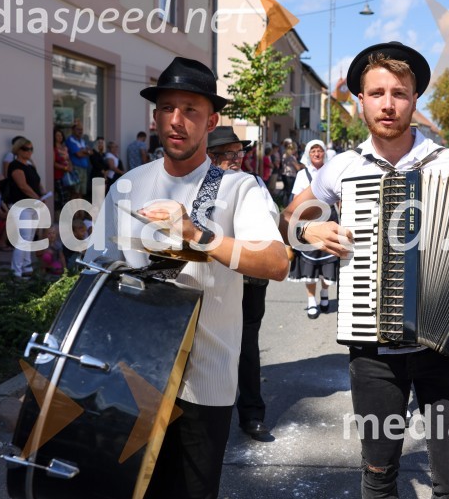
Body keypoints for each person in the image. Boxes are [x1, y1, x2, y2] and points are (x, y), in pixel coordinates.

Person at [279, 42, 449, 498]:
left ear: (414, 99)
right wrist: (307, 230)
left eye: (399, 93)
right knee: (378, 474)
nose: (388, 104)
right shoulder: (343, 167)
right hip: (372, 352)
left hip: (446, 350)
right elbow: (288, 218)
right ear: (360, 100)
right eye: (376, 93)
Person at [85, 56, 289, 498]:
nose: (177, 120)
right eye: (167, 108)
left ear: (211, 121)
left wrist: (198, 235)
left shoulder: (237, 188)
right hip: (132, 375)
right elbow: (96, 275)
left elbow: (276, 262)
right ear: (156, 117)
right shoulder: (126, 185)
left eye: (191, 110)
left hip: (204, 381)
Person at [206, 125, 277, 440]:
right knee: (206, 346)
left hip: (249, 279)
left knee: (247, 345)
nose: (236, 159)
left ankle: (251, 414)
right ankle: (205, 414)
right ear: (211, 157)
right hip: (211, 279)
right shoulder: (200, 186)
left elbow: (272, 220)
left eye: (239, 153)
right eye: (228, 154)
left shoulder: (255, 183)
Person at [286, 140, 339, 319]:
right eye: (313, 151)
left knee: (328, 261)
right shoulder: (303, 174)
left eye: (320, 150)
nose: (317, 154)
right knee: (309, 264)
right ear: (308, 154)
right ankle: (311, 300)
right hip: (309, 223)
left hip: (330, 220)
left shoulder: (332, 172)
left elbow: (340, 198)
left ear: (324, 153)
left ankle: (324, 293)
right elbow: (296, 200)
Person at [6, 138, 46, 278]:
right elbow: (22, 186)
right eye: (26, 149)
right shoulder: (15, 165)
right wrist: (37, 198)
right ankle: (16, 271)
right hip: (22, 205)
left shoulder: (30, 166)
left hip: (33, 205)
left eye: (31, 149)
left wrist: (42, 195)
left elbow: (38, 183)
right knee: (23, 239)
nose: (29, 151)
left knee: (29, 237)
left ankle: (27, 266)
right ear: (18, 150)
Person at [66, 120, 90, 199]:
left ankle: (80, 207)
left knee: (81, 192)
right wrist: (85, 152)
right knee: (75, 192)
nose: (80, 131)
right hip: (76, 169)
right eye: (78, 129)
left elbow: (90, 152)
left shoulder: (82, 140)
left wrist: (84, 151)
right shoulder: (70, 140)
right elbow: (79, 155)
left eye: (81, 129)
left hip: (84, 169)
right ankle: (73, 208)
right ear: (73, 130)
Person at [53, 128, 73, 212]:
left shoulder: (64, 147)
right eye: (57, 135)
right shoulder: (53, 148)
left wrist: (70, 167)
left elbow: (68, 159)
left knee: (68, 195)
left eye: (61, 135)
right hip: (58, 175)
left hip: (66, 176)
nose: (60, 137)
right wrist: (64, 168)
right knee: (62, 196)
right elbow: (53, 163)